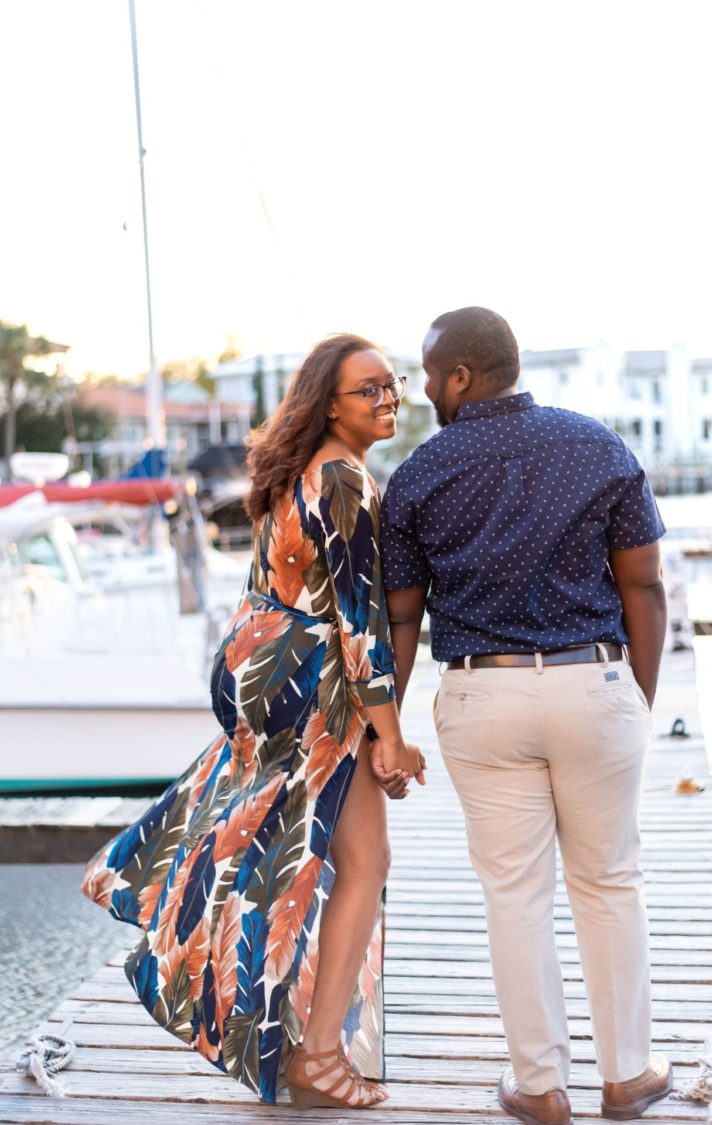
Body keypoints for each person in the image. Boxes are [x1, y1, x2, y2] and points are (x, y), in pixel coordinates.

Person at [81, 333, 427, 1108]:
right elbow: (359, 622)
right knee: (354, 863)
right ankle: (315, 1052)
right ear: (327, 404)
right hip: (311, 686)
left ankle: (296, 1030)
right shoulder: (342, 480)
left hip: (261, 667)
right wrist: (392, 733)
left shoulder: (292, 474)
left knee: (276, 843)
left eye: (391, 384)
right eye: (366, 389)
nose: (387, 399)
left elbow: (269, 589)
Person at [379, 306, 671, 1125]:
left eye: (432, 373)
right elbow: (643, 585)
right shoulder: (598, 445)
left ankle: (539, 1088)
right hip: (593, 682)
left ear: (463, 377)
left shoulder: (419, 475)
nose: (426, 388)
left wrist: (389, 728)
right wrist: (635, 700)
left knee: (514, 893)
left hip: (481, 692)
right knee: (610, 881)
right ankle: (627, 1077)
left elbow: (403, 616)